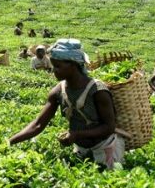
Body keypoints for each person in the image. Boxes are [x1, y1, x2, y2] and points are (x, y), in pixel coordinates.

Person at [10, 38, 125, 169]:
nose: (54, 70)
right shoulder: (58, 91)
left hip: (105, 147)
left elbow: (109, 127)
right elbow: (38, 124)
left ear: (74, 65)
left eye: (58, 66)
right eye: (53, 66)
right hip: (81, 148)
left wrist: (76, 135)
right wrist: (10, 142)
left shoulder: (98, 91)